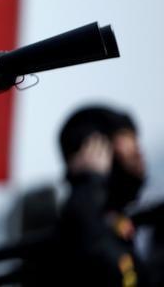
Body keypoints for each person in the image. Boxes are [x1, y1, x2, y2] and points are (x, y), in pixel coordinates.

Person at [45, 105, 148, 286]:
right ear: (96, 148)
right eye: (126, 136)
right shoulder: (80, 223)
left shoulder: (121, 219)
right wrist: (90, 181)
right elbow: (110, 270)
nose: (138, 150)